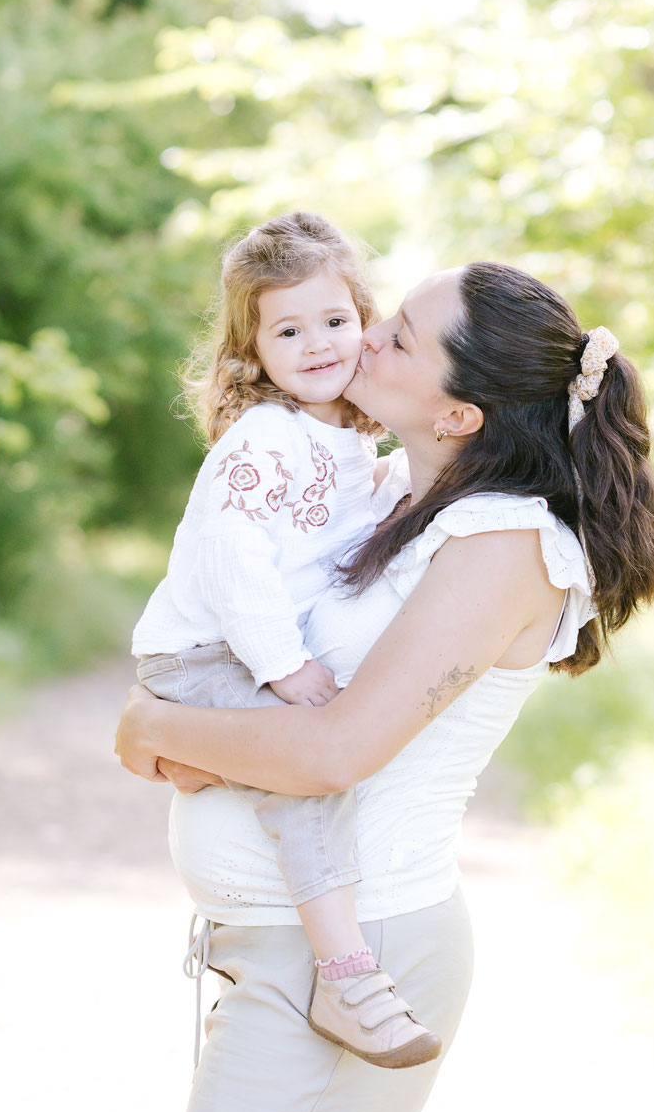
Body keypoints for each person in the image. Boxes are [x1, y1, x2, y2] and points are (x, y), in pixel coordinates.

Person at [116, 260, 654, 1112]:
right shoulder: (391, 500)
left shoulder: (504, 546)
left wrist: (149, 726)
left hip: (353, 955)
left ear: (459, 413)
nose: (363, 337)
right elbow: (256, 664)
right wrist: (196, 729)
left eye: (400, 338)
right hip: (288, 946)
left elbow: (333, 749)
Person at [132, 210, 440, 1066]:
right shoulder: (266, 437)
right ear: (253, 349)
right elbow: (233, 558)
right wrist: (283, 665)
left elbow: (340, 525)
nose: (317, 345)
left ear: (364, 320)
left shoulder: (345, 437)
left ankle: (204, 762)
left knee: (291, 760)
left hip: (235, 654)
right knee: (305, 775)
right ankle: (346, 977)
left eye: (334, 321)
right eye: (288, 331)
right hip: (204, 653)